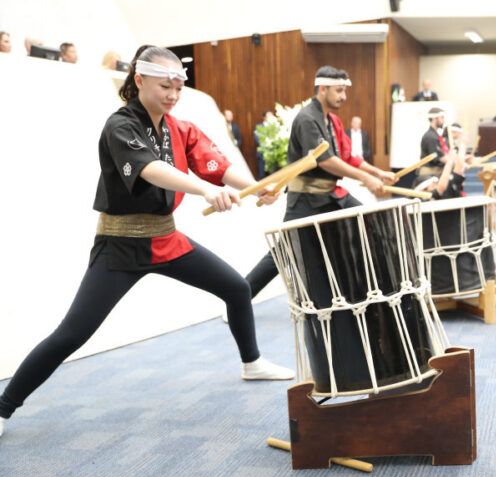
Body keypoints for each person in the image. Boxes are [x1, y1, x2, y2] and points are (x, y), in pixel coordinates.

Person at [0, 45, 294, 439]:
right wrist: (203, 193)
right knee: (73, 333)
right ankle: (3, 408)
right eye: (164, 86)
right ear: (139, 80)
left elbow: (216, 165)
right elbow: (152, 170)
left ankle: (251, 362)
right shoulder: (120, 125)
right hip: (121, 245)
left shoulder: (178, 127)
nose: (172, 95)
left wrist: (257, 188)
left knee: (237, 288)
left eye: (177, 87)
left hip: (166, 239)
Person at [244, 65, 396, 299]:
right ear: (322, 89)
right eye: (339, 91)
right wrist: (366, 178)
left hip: (330, 196)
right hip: (306, 199)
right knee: (285, 252)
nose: (343, 97)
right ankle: (240, 295)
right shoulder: (307, 118)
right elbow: (325, 160)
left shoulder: (331, 120)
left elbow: (347, 155)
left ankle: (364, 289)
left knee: (368, 222)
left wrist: (377, 173)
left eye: (344, 91)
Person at [419, 107, 451, 176]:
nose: (443, 120)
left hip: (434, 171)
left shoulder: (435, 135)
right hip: (429, 173)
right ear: (434, 119)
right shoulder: (431, 137)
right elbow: (440, 158)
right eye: (442, 117)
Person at [253, 110, 275, 179]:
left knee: (274, 177)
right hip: (262, 155)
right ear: (264, 118)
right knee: (261, 176)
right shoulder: (258, 126)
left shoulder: (275, 126)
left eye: (272, 115)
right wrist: (267, 144)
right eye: (269, 116)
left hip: (273, 156)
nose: (271, 117)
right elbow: (257, 140)